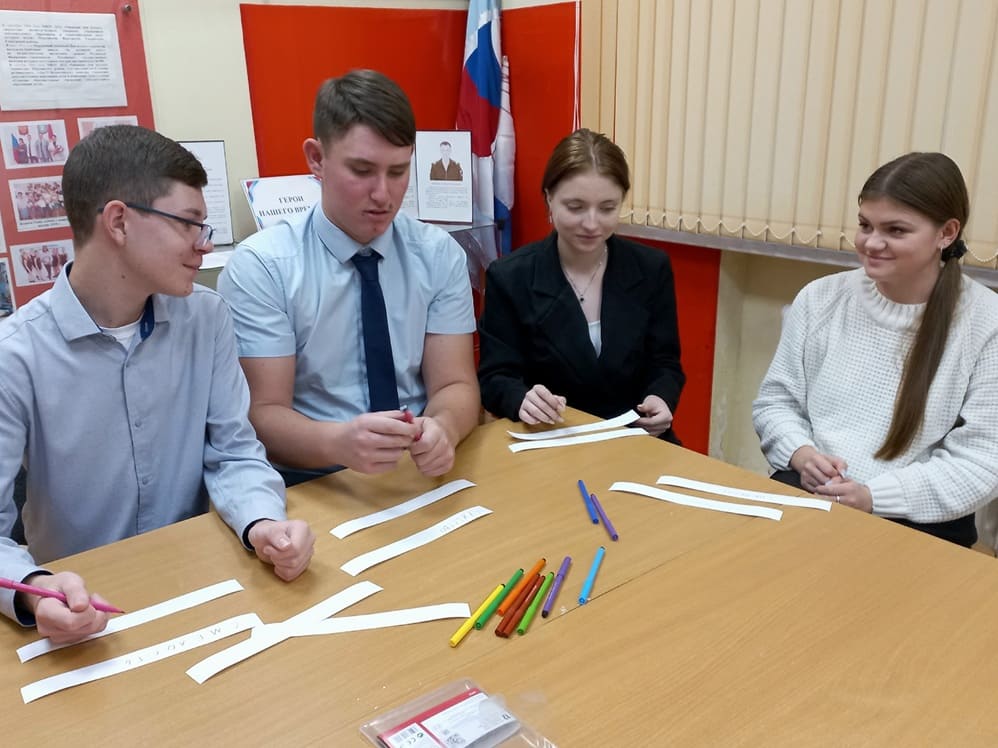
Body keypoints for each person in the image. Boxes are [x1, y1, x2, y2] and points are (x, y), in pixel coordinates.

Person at [0, 125, 315, 643]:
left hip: (196, 585)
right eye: (189, 224)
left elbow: (234, 453)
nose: (204, 244)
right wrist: (33, 590)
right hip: (81, 607)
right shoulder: (16, 355)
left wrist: (262, 523)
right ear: (118, 222)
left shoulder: (207, 319)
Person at [218, 70, 479, 485]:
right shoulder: (263, 266)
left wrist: (444, 428)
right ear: (316, 159)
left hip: (417, 471)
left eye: (398, 171)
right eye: (361, 170)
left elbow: (456, 384)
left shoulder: (438, 254)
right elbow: (263, 414)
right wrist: (338, 443)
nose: (383, 194)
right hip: (316, 478)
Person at [753, 152, 998, 547]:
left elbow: (983, 459)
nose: (871, 243)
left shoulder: (986, 322)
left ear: (947, 233)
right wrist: (801, 453)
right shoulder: (820, 298)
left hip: (920, 524)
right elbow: (776, 402)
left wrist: (872, 498)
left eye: (896, 230)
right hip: (811, 494)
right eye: (865, 225)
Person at [477, 128, 685, 441]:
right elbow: (495, 378)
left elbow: (665, 363)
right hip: (551, 438)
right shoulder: (510, 277)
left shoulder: (651, 268)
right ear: (549, 198)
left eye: (607, 208)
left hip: (634, 438)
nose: (591, 223)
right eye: (575, 207)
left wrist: (661, 398)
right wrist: (521, 399)